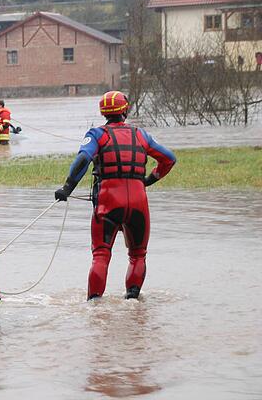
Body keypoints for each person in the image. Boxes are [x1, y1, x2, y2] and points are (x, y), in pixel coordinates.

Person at [54, 91, 176, 300]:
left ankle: (94, 306)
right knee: (138, 255)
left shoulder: (97, 134)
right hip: (139, 202)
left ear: (103, 112)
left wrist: (67, 188)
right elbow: (169, 159)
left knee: (101, 255)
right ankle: (133, 301)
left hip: (108, 202)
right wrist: (148, 180)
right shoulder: (141, 135)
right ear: (125, 110)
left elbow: (83, 159)